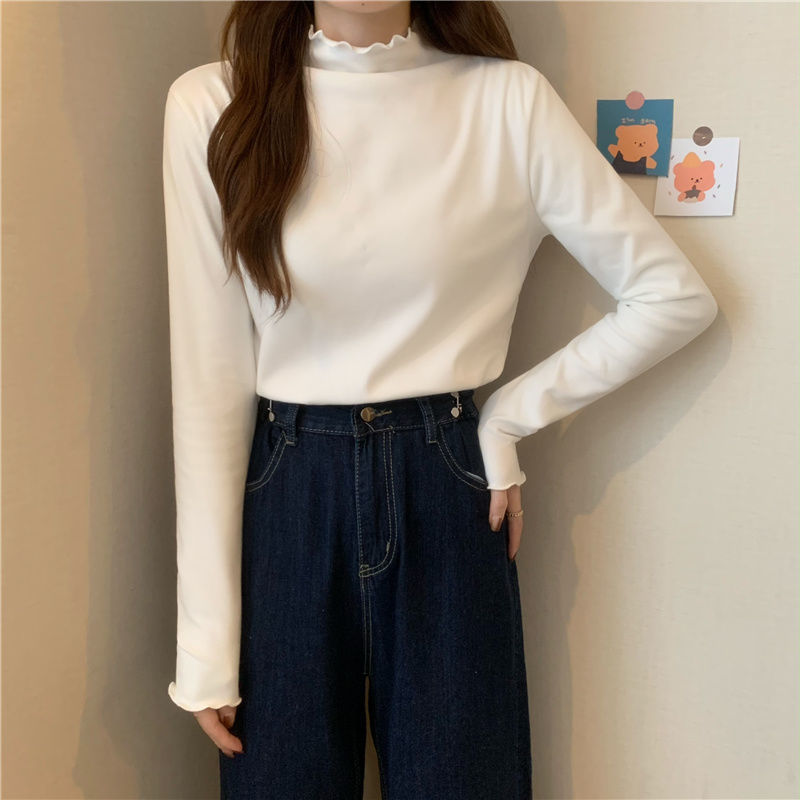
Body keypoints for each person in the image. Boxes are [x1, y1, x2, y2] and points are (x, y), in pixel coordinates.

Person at [161, 1, 718, 798]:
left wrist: (509, 418)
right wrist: (205, 646)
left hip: (447, 484)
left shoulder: (508, 101)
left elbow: (672, 296)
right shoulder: (213, 104)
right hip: (286, 492)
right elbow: (208, 378)